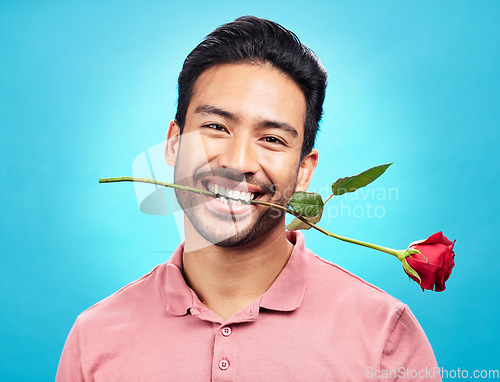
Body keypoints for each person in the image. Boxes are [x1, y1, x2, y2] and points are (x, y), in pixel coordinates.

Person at [57, 16, 442, 381]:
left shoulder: (384, 337)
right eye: (215, 126)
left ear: (304, 172)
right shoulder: (94, 337)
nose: (237, 163)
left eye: (272, 139)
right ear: (174, 143)